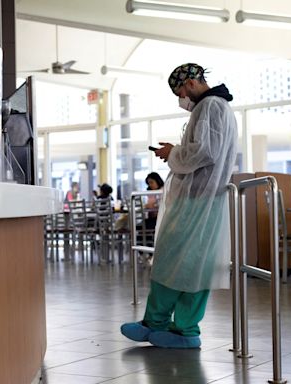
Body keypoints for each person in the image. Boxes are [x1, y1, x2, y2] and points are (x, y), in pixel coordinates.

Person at [120, 63, 238, 349]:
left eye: (180, 91)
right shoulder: (217, 107)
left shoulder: (210, 106)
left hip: (198, 200)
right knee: (190, 264)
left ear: (193, 83)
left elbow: (205, 152)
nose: (181, 98)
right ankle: (167, 324)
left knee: (181, 262)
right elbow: (206, 149)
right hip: (203, 199)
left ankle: (177, 328)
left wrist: (173, 152)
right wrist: (175, 152)